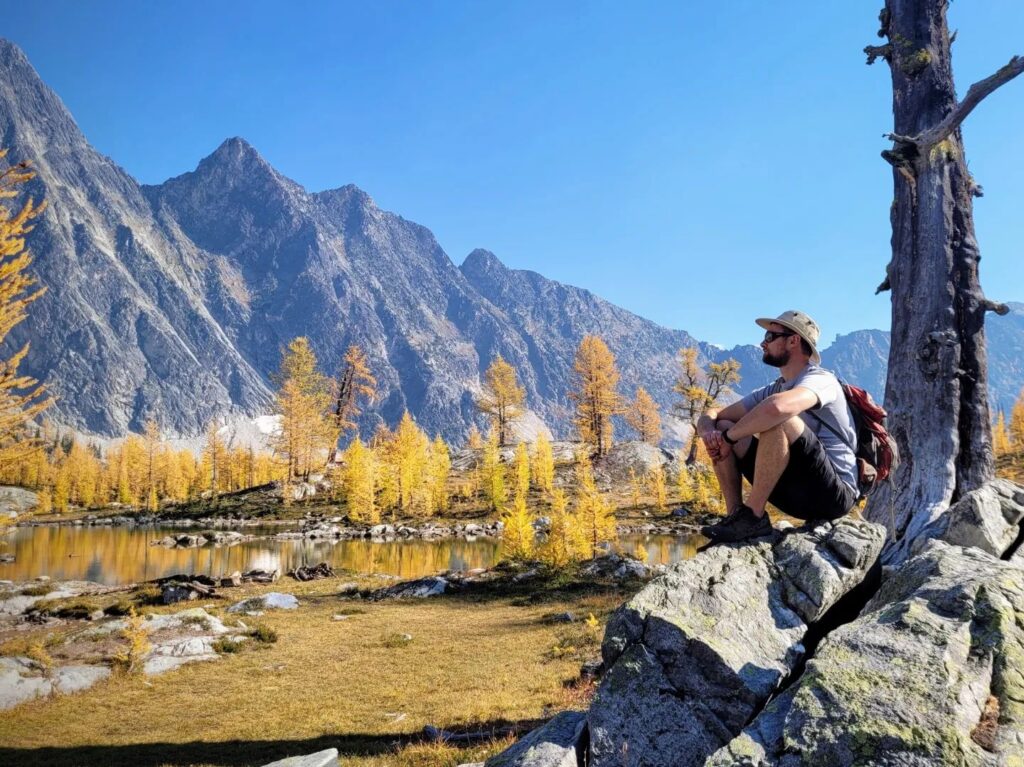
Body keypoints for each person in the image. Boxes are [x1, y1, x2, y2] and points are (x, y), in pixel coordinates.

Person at [696, 310, 858, 543]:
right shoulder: (775, 387)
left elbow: (778, 409)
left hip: (834, 494)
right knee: (722, 424)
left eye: (770, 336)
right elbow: (713, 414)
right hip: (797, 492)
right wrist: (711, 434)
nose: (763, 343)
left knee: (778, 420)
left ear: (794, 340)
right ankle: (736, 517)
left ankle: (753, 516)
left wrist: (728, 439)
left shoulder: (822, 380)